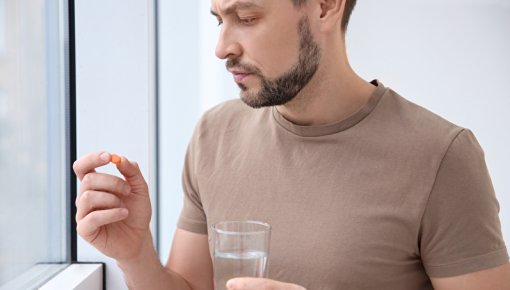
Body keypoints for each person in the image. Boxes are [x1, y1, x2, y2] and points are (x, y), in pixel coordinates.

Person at [73, 0, 510, 289]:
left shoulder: (442, 155)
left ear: (324, 6)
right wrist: (135, 256)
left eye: (246, 17)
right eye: (218, 20)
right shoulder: (214, 135)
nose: (222, 47)